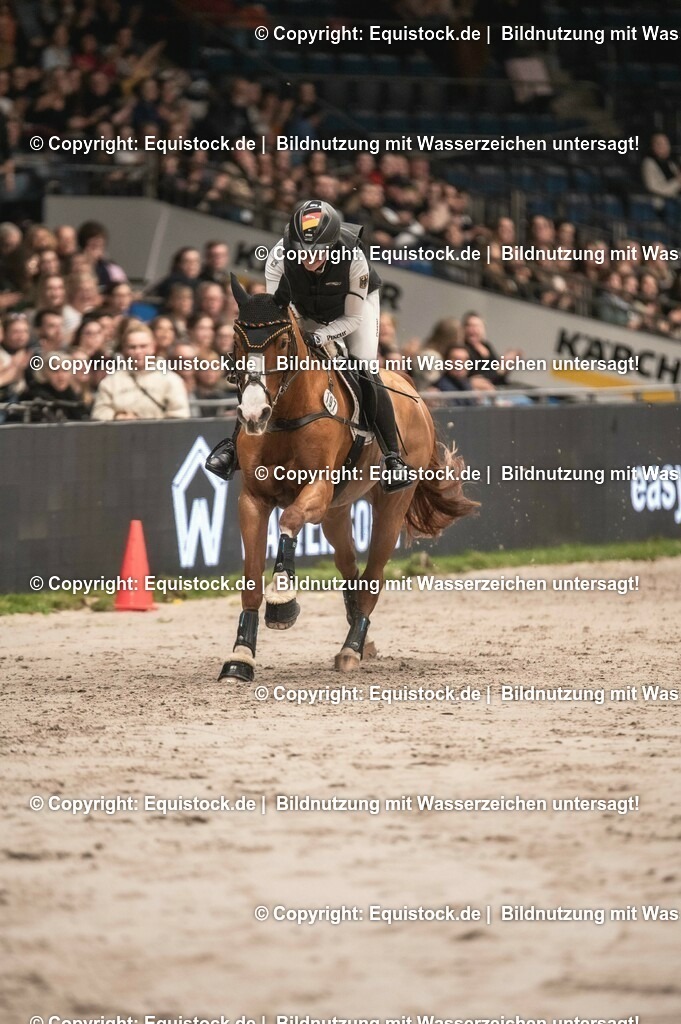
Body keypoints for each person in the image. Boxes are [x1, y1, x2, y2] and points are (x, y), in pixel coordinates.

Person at [206, 199, 413, 490]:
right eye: (302, 250)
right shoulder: (279, 256)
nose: (309, 258)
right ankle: (231, 447)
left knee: (364, 365)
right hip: (302, 309)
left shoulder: (354, 260)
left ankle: (393, 457)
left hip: (353, 309)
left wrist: (322, 336)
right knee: (261, 363)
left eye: (317, 252)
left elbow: (352, 318)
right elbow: (274, 312)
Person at [91, 321, 190, 421]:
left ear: (153, 348)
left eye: (143, 346)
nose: (138, 352)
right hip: (121, 434)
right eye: (132, 347)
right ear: (124, 350)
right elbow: (99, 413)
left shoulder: (171, 380)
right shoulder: (110, 382)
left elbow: (180, 414)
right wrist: (117, 417)